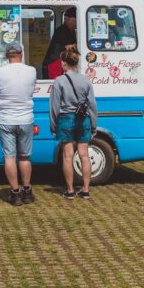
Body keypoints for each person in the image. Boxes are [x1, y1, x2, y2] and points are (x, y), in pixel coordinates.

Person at [0, 41, 38, 206]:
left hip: (6, 119)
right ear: (21, 54)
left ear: (6, 55)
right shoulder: (31, 71)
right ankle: (27, 191)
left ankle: (15, 193)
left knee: (9, 157)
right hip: (26, 119)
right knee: (24, 157)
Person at [50, 44, 98, 200]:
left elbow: (54, 106)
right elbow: (92, 105)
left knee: (68, 155)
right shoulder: (86, 81)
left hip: (65, 119)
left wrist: (53, 125)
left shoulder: (59, 81)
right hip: (83, 118)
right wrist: (93, 125)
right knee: (84, 154)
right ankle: (85, 190)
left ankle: (70, 190)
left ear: (64, 63)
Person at [42, 7, 77, 78]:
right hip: (53, 63)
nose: (78, 22)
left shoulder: (72, 31)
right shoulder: (62, 30)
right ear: (68, 19)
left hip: (62, 63)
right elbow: (69, 47)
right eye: (76, 19)